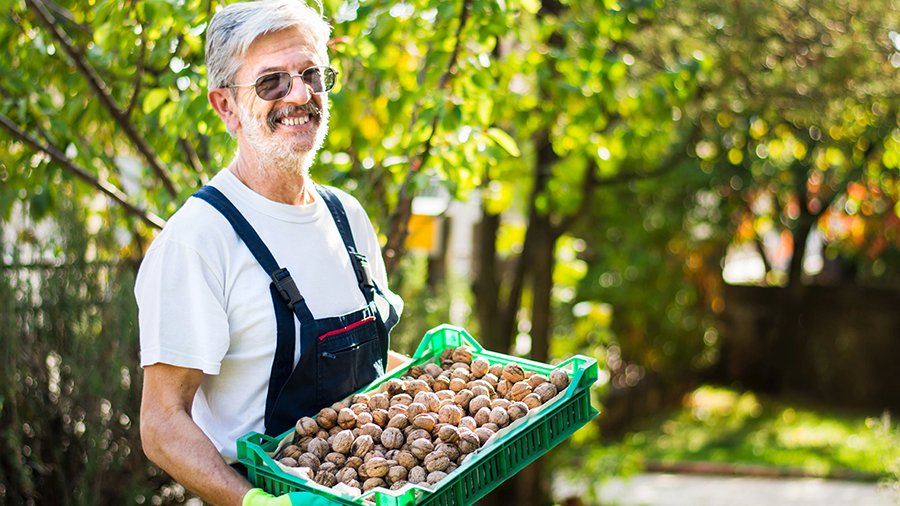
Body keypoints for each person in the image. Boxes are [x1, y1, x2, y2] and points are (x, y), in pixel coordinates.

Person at [135, 1, 404, 504]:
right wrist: (252, 502)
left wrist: (436, 374)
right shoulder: (198, 240)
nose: (299, 94)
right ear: (225, 106)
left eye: (311, 74)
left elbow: (366, 374)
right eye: (271, 83)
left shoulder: (347, 218)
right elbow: (161, 422)